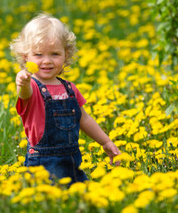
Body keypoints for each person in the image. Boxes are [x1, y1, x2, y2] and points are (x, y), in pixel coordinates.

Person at [11, 13, 121, 184]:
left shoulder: (69, 88)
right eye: (38, 55)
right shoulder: (31, 86)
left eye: (55, 54)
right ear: (26, 57)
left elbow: (83, 118)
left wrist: (105, 141)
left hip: (71, 161)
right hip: (42, 164)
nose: (47, 61)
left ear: (66, 55)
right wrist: (22, 82)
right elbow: (23, 94)